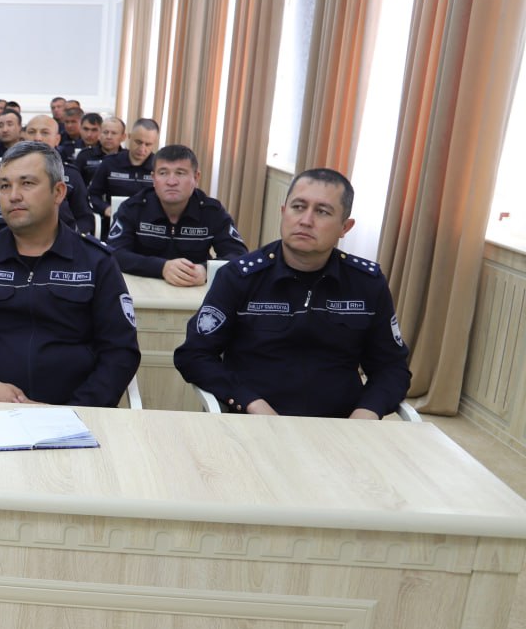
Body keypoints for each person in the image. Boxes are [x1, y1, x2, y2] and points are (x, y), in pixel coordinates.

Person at [174, 168, 411, 418]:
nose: (306, 220)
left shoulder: (366, 283)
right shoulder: (240, 277)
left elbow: (392, 367)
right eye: (298, 207)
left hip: (341, 425)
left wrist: (367, 412)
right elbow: (194, 354)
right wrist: (249, 402)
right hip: (255, 422)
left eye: (322, 211)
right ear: (283, 212)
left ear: (345, 227)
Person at [0, 141, 140, 406]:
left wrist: (73, 411)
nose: (13, 195)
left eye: (27, 183)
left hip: (76, 414)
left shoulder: (96, 262)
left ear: (58, 192)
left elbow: (120, 352)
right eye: (5, 186)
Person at [107, 145, 247, 286]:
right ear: (153, 178)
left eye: (180, 173)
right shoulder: (133, 208)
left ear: (196, 177)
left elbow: (238, 255)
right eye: (163, 173)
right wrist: (161, 267)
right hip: (142, 286)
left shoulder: (212, 212)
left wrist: (206, 270)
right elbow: (114, 252)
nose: (171, 182)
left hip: (194, 289)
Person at [22, 114, 94, 234]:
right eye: (32, 132)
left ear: (57, 140)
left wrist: (69, 236)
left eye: (45, 133)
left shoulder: (71, 174)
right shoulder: (9, 170)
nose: (37, 138)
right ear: (24, 137)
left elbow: (85, 219)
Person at [87, 117, 158, 216]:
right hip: (114, 218)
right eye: (138, 142)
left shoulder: (159, 167)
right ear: (129, 137)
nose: (142, 149)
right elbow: (92, 194)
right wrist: (105, 208)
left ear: (154, 143)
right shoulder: (110, 163)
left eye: (148, 144)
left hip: (148, 220)